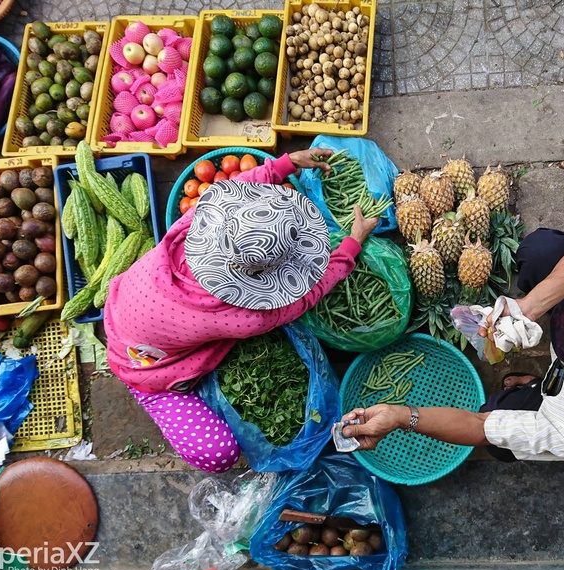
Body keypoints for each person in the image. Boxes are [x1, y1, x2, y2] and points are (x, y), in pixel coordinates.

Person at [103, 149, 379, 473]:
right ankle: (167, 393)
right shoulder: (247, 317)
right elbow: (307, 298)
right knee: (219, 455)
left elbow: (241, 186)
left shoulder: (191, 226)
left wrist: (284, 164)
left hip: (121, 309)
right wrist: (351, 246)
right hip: (148, 370)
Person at [341, 229, 564, 461]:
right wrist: (525, 309)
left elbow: (480, 425)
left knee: (499, 424)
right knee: (540, 249)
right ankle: (540, 378)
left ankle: (537, 388)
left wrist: (402, 416)